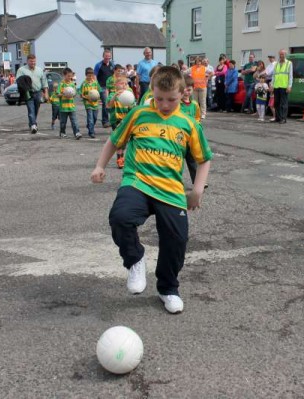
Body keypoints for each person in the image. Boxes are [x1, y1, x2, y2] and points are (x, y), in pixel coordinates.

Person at [90, 66, 212, 314]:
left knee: (176, 240)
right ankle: (135, 260)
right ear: (151, 92)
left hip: (170, 189)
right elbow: (114, 141)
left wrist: (197, 191)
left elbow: (204, 159)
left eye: (171, 99)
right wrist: (99, 166)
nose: (164, 105)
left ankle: (168, 288)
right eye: (159, 98)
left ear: (183, 93)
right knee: (120, 217)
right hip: (138, 182)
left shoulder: (188, 124)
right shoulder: (139, 114)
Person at [106, 76, 135, 168]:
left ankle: (126, 157)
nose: (124, 86)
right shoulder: (112, 95)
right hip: (116, 121)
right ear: (115, 85)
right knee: (120, 141)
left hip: (126, 120)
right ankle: (120, 158)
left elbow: (132, 108)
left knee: (126, 141)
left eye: (126, 84)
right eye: (122, 83)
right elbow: (108, 106)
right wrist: (115, 96)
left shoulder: (129, 95)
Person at [16, 54, 49, 134]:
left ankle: (32, 122)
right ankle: (33, 125)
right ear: (27, 61)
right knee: (31, 109)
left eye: (34, 61)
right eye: (31, 61)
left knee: (36, 109)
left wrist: (46, 93)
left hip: (38, 92)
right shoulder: (21, 70)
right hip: (28, 93)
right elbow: (18, 81)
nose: (33, 63)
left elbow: (44, 82)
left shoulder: (39, 70)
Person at [180, 76, 201, 184]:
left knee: (192, 161)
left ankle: (197, 181)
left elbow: (197, 117)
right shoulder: (177, 104)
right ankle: (175, 181)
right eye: (184, 90)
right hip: (179, 138)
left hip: (191, 138)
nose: (186, 92)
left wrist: (197, 126)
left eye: (189, 90)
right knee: (177, 161)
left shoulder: (194, 104)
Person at [56, 67, 81, 140]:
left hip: (71, 106)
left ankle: (77, 133)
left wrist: (73, 94)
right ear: (64, 75)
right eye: (68, 76)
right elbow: (57, 94)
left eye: (71, 76)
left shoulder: (72, 84)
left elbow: (75, 93)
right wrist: (64, 94)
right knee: (63, 122)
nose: (70, 77)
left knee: (74, 121)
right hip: (63, 108)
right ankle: (62, 132)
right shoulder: (61, 84)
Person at [270, 49, 293, 124]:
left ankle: (283, 118)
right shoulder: (276, 64)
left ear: (285, 55)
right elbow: (274, 75)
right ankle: (278, 118)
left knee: (283, 103)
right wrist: (272, 85)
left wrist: (289, 86)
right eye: (280, 54)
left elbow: (290, 76)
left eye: (282, 54)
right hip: (276, 86)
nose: (281, 56)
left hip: (284, 86)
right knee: (276, 103)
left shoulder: (289, 63)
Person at [94, 50, 115, 128]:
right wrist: (97, 86)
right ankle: (105, 121)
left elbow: (115, 74)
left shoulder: (113, 64)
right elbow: (95, 76)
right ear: (103, 56)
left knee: (113, 103)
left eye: (109, 56)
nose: (108, 57)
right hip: (102, 87)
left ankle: (113, 119)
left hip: (112, 87)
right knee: (106, 103)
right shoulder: (98, 65)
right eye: (106, 56)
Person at [80, 67, 101, 138]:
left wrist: (98, 98)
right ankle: (91, 132)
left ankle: (89, 125)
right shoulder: (83, 84)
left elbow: (99, 92)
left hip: (95, 104)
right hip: (88, 103)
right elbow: (81, 94)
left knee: (94, 118)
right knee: (90, 119)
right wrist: (87, 97)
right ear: (86, 75)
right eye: (89, 75)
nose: (90, 77)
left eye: (92, 75)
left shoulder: (95, 83)